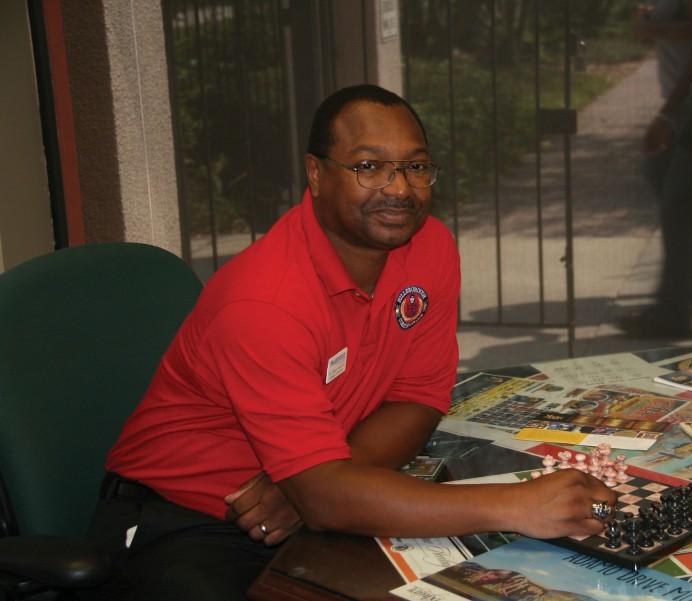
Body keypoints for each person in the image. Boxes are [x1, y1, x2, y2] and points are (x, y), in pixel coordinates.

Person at [86, 84, 616, 601]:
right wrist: (515, 505)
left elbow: (418, 396)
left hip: (311, 497)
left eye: (415, 166)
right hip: (185, 522)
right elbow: (324, 498)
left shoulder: (429, 246)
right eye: (368, 167)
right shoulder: (265, 303)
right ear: (315, 173)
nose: (400, 189)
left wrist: (319, 484)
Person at [619, 0, 692, 338]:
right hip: (682, 103)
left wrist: (668, 114)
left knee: (679, 206)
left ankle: (673, 311)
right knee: (658, 173)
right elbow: (639, 33)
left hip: (690, 104)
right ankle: (687, 272)